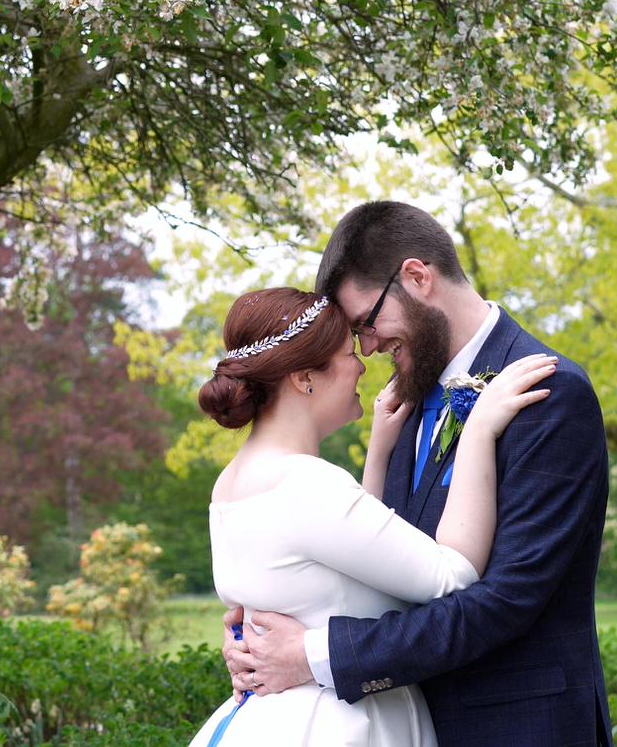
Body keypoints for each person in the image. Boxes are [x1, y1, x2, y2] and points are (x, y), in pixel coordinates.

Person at [222, 201, 613, 747]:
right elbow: (380, 561)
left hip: (515, 728)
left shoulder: (549, 395)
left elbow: (505, 601)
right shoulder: (407, 399)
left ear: (416, 277)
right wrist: (265, 626)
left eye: (366, 323)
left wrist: (312, 653)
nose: (368, 348)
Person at [186, 284, 557, 746]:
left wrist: (378, 453)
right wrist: (478, 430)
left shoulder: (234, 481)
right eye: (348, 352)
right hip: (341, 723)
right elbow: (453, 577)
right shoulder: (307, 484)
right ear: (304, 378)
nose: (364, 360)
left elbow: (343, 567)